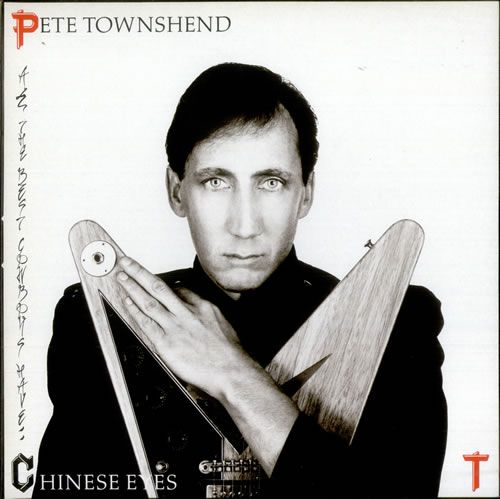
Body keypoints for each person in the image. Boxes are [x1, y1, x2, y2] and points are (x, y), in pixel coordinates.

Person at [34, 63, 447, 498]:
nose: (245, 226)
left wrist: (231, 373)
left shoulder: (396, 321)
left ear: (306, 192)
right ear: (176, 191)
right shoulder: (97, 319)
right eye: (216, 182)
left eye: (271, 182)